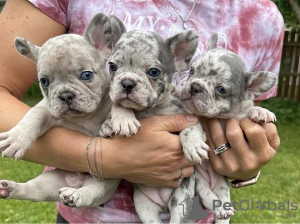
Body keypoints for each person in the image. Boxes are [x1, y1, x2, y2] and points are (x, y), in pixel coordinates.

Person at [0, 0, 282, 223]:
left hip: (196, 209)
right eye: (114, 66)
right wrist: (108, 158)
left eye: (154, 72)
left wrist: (244, 159)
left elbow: (237, 127)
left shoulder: (261, 17)